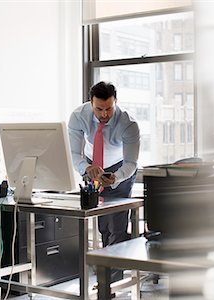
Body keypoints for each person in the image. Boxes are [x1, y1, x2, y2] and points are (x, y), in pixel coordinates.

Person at [68, 81, 140, 284]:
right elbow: (74, 154)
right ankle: (106, 270)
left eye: (109, 108)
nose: (104, 114)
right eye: (99, 109)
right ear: (91, 103)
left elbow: (131, 163)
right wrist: (85, 168)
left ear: (115, 102)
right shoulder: (78, 116)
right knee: (103, 225)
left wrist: (115, 177)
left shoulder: (128, 123)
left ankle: (111, 281)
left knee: (116, 225)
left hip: (120, 169)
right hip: (92, 165)